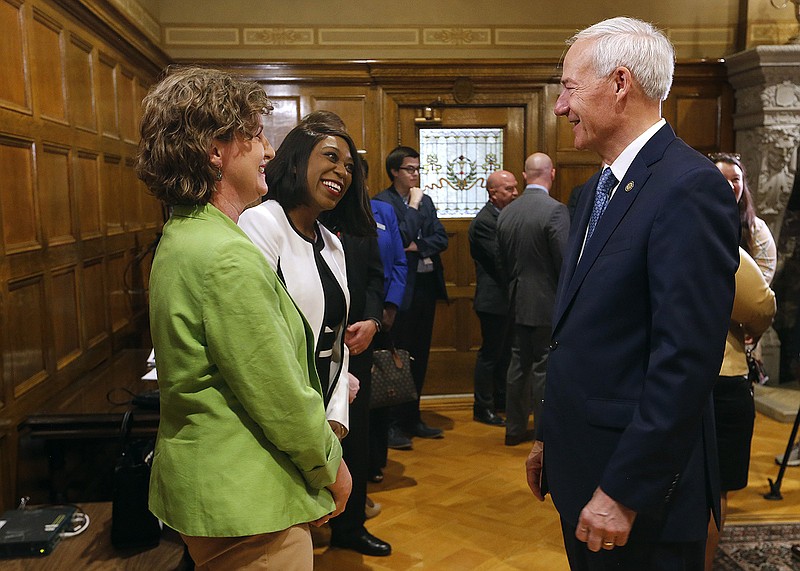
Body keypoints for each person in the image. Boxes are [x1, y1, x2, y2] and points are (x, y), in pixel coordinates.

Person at [526, 17, 740, 571]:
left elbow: (685, 360)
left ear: (619, 83)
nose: (559, 106)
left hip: (639, 496)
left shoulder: (689, 188)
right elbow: (584, 330)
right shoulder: (594, 188)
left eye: (569, 88)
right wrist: (551, 436)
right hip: (584, 465)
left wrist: (623, 491)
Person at [138, 67, 350, 570]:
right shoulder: (225, 254)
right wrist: (331, 467)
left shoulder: (184, 234)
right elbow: (277, 394)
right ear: (215, 150)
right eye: (254, 135)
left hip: (211, 485)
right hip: (247, 500)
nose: (268, 151)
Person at [237, 123, 387, 555]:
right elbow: (263, 340)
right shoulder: (261, 223)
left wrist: (336, 416)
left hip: (323, 412)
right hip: (280, 415)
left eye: (349, 164)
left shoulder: (331, 243)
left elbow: (335, 339)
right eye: (330, 156)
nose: (342, 170)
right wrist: (313, 425)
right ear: (298, 159)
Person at [703, 248, 775, 570]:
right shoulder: (712, 234)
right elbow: (761, 305)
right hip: (719, 373)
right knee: (712, 490)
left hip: (653, 372)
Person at [373, 146, 449, 448]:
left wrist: (418, 246)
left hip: (426, 288)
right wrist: (414, 211)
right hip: (400, 291)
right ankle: (391, 423)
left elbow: (440, 237)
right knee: (396, 355)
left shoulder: (426, 200)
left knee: (419, 354)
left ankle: (412, 417)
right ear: (395, 172)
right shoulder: (382, 202)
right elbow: (399, 239)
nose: (415, 174)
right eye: (410, 169)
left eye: (418, 168)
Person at [496, 153, 569, 445]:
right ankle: (542, 432)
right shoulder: (555, 211)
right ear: (551, 173)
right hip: (546, 302)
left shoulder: (506, 212)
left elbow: (502, 262)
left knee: (518, 365)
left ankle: (514, 429)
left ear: (525, 176)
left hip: (515, 302)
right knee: (543, 367)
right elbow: (565, 263)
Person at [469, 169, 519, 427]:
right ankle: (483, 407)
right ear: (493, 193)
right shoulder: (484, 222)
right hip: (493, 300)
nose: (515, 192)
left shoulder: (507, 215)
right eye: (508, 189)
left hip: (507, 299)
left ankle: (500, 401)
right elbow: (501, 260)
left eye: (514, 187)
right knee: (490, 355)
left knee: (505, 354)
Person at [711, 152, 777, 283]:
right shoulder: (694, 222)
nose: (730, 185)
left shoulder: (756, 228)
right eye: (722, 178)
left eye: (735, 179)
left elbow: (761, 284)